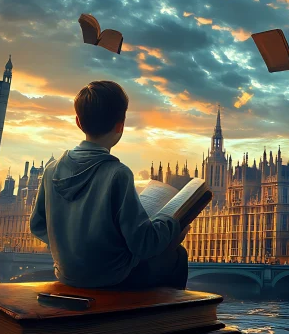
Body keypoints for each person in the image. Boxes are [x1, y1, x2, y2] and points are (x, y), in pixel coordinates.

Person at [30, 81, 189, 289]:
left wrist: (69, 245)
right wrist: (172, 222)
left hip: (67, 274)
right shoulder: (118, 174)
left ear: (78, 122)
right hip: (112, 278)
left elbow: (37, 225)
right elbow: (143, 244)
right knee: (177, 256)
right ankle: (165, 320)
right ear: (120, 125)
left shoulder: (51, 170)